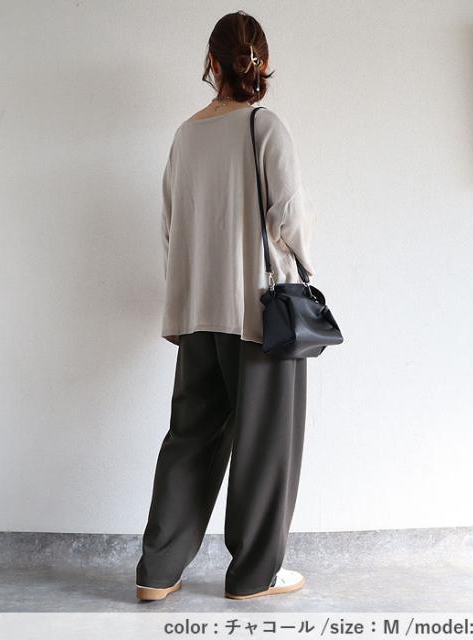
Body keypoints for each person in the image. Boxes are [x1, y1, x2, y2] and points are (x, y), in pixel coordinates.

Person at [135, 10, 317, 601]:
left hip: (196, 313)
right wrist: (305, 268)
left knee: (189, 439)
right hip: (258, 316)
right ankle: (253, 575)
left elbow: (170, 228)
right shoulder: (265, 126)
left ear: (211, 62)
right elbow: (290, 219)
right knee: (265, 446)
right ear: (261, 61)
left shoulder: (185, 135)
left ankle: (157, 572)